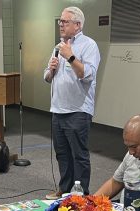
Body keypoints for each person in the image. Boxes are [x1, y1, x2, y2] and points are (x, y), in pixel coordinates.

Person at [44, 6, 100, 199]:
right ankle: (64, 189)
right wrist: (51, 70)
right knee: (62, 154)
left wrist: (71, 57)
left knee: (79, 155)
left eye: (65, 22)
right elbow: (46, 77)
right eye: (60, 21)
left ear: (77, 25)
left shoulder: (89, 45)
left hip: (78, 110)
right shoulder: (58, 46)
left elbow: (87, 74)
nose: (61, 24)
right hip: (58, 109)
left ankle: (81, 195)